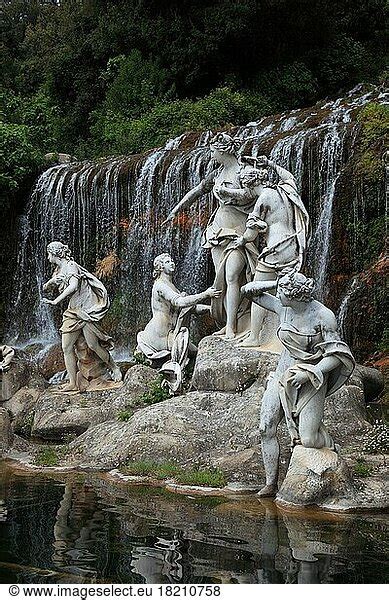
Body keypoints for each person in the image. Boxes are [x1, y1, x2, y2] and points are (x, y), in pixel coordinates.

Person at [241, 270, 354, 497]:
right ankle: (270, 483)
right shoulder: (283, 306)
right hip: (283, 375)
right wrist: (277, 282)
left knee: (309, 440)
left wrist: (311, 372)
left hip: (311, 377)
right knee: (266, 426)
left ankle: (327, 440)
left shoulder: (323, 316)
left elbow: (338, 354)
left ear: (294, 295)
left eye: (282, 291)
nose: (277, 293)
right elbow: (248, 291)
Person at [163, 133, 258, 340]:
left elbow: (254, 195)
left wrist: (228, 193)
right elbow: (197, 191)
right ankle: (227, 324)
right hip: (217, 231)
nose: (212, 155)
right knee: (222, 279)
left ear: (223, 150)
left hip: (239, 230)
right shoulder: (216, 174)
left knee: (233, 276)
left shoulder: (245, 172)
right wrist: (176, 210)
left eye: (213, 151)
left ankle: (233, 326)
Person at [230, 156, 310, 348]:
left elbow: (250, 234)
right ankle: (292, 335)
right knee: (287, 290)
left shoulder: (263, 198)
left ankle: (255, 336)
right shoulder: (285, 189)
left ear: (250, 185)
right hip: (292, 245)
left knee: (257, 288)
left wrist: (240, 241)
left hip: (275, 248)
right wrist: (271, 164)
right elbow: (290, 176)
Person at [42, 241, 122, 391]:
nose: (48, 258)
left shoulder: (71, 266)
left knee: (93, 345)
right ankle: (72, 382)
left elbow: (72, 286)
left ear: (55, 254)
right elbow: (53, 283)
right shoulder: (59, 270)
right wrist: (49, 283)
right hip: (73, 311)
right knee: (66, 347)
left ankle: (114, 367)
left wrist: (55, 301)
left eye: (49, 254)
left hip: (86, 310)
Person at [136, 253, 220, 391]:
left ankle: (186, 381)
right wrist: (205, 294)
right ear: (161, 267)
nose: (172, 263)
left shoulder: (171, 286)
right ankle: (179, 383)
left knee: (196, 352)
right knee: (193, 353)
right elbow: (179, 302)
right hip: (159, 335)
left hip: (170, 333)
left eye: (172, 260)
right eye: (168, 261)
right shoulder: (160, 286)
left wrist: (211, 309)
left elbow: (191, 308)